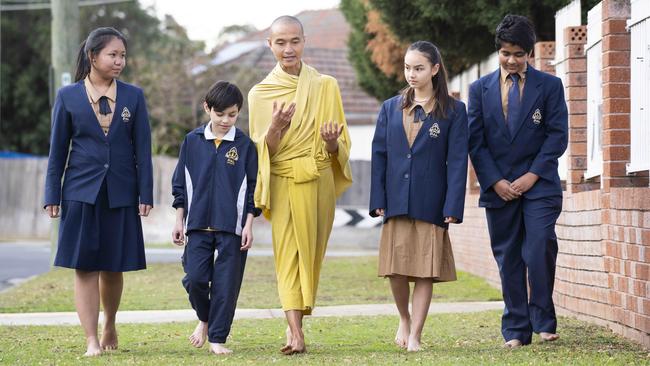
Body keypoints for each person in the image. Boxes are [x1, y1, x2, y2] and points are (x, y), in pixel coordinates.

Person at [43, 27, 153, 357]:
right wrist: (52, 193)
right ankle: (91, 339)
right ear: (93, 57)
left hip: (121, 191)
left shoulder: (134, 96)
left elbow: (142, 149)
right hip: (80, 192)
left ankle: (110, 323)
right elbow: (57, 151)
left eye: (122, 55)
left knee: (114, 266)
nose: (120, 61)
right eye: (113, 55)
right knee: (85, 266)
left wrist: (145, 192)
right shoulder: (68, 97)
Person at [247, 15, 353, 354]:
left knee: (311, 256)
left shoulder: (326, 86)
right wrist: (276, 127)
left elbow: (340, 144)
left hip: (319, 180)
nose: (288, 48)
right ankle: (294, 332)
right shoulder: (260, 94)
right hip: (284, 180)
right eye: (280, 42)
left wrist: (332, 143)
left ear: (304, 42)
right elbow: (263, 151)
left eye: (294, 41)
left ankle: (299, 322)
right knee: (287, 256)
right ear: (270, 46)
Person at [467, 15, 568, 348]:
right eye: (506, 53)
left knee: (538, 247)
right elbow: (475, 141)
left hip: (539, 185)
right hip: (499, 189)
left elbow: (557, 136)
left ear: (530, 54)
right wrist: (495, 181)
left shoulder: (550, 86)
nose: (511, 60)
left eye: (518, 54)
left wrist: (531, 176)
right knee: (508, 256)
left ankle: (544, 319)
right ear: (498, 50)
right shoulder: (478, 89)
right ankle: (515, 329)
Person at [369, 41, 468, 352]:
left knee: (425, 270)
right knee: (395, 269)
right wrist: (377, 199)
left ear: (435, 70)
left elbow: (457, 162)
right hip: (396, 200)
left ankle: (416, 336)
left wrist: (452, 205)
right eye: (408, 67)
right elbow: (380, 155)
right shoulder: (389, 108)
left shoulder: (454, 111)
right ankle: (404, 318)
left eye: (419, 68)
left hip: (432, 202)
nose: (411, 74)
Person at [171, 81, 259, 355]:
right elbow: (180, 184)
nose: (225, 120)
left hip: (231, 228)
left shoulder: (245, 145)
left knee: (225, 285)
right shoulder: (192, 141)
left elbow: (252, 188)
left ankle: (217, 339)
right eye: (219, 114)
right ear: (207, 108)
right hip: (197, 226)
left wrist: (248, 225)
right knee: (195, 278)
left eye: (232, 115)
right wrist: (179, 220)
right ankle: (205, 319)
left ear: (238, 112)